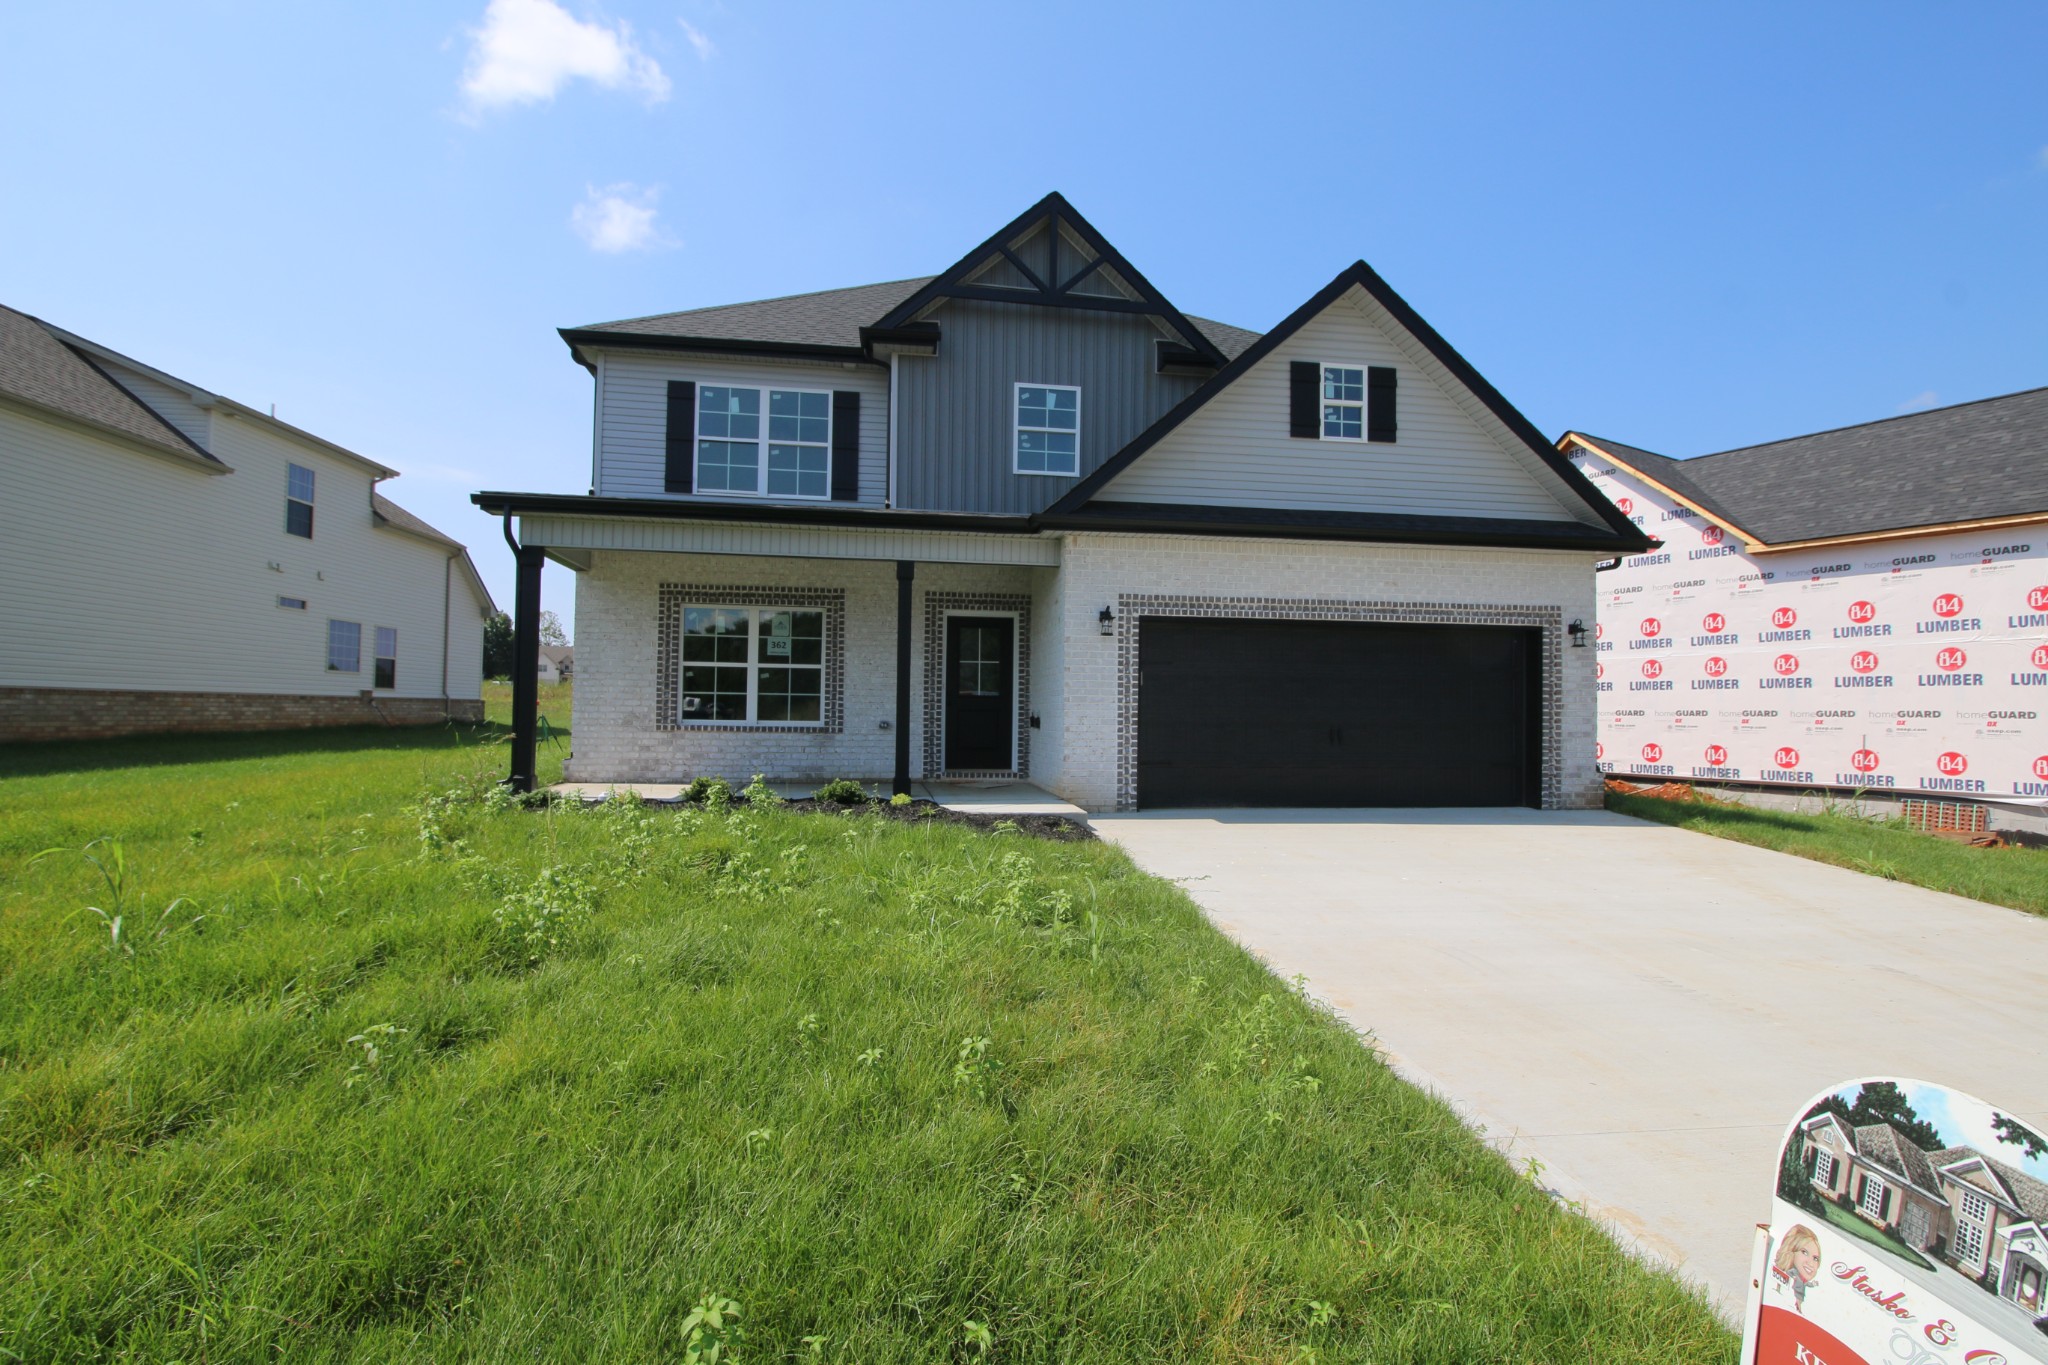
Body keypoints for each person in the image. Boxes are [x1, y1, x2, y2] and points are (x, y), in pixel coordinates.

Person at [1771, 1225, 1823, 1315]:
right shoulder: (1790, 1273)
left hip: (1799, 1293)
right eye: (1804, 1252)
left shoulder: (1801, 1278)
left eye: (1815, 1258)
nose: (1811, 1263)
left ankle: (1798, 1307)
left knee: (1799, 1300)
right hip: (1790, 1295)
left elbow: (1806, 1284)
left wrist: (1813, 1284)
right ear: (1792, 1250)